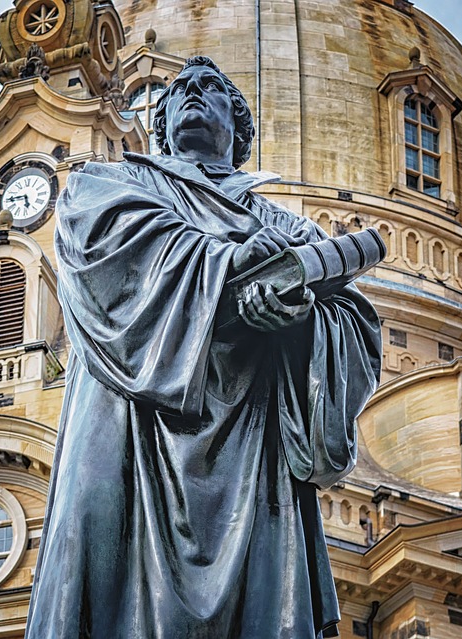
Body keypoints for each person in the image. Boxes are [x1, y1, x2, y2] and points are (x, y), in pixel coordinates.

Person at [26, 56, 382, 639]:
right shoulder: (114, 182)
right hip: (129, 425)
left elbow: (354, 327)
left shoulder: (287, 227)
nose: (193, 93)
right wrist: (228, 261)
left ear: (238, 126)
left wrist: (295, 319)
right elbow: (103, 249)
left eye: (211, 88)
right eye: (180, 89)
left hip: (253, 444)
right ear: (161, 121)